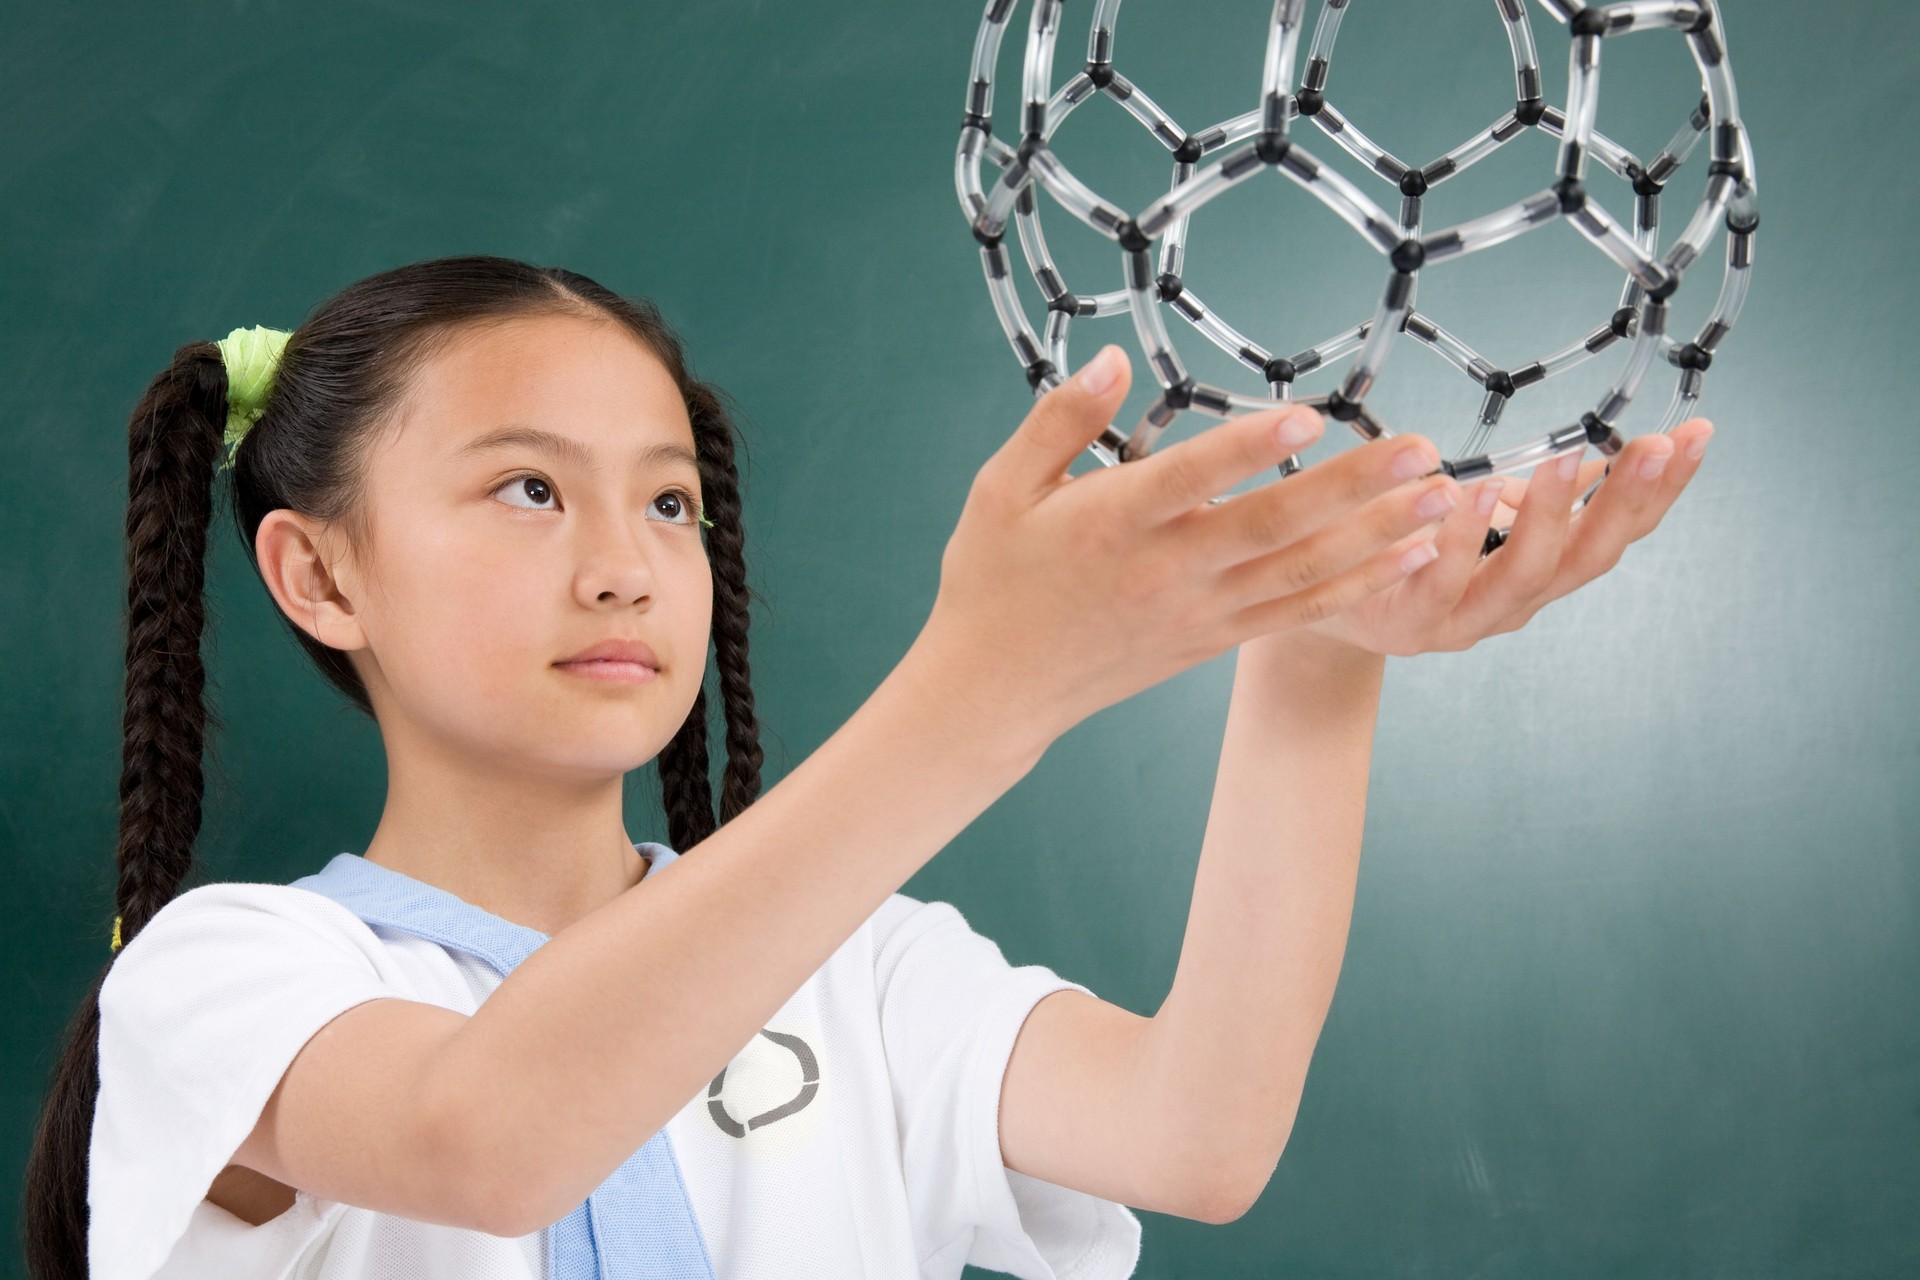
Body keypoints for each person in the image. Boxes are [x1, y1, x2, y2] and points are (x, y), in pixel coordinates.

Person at [22, 254, 1712, 1280]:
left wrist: (1324, 649)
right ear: (320, 575)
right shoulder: (225, 977)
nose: (625, 565)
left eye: (668, 502)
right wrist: (982, 692)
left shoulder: (860, 969)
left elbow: (1200, 1137)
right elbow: (492, 1136)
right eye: (527, 490)